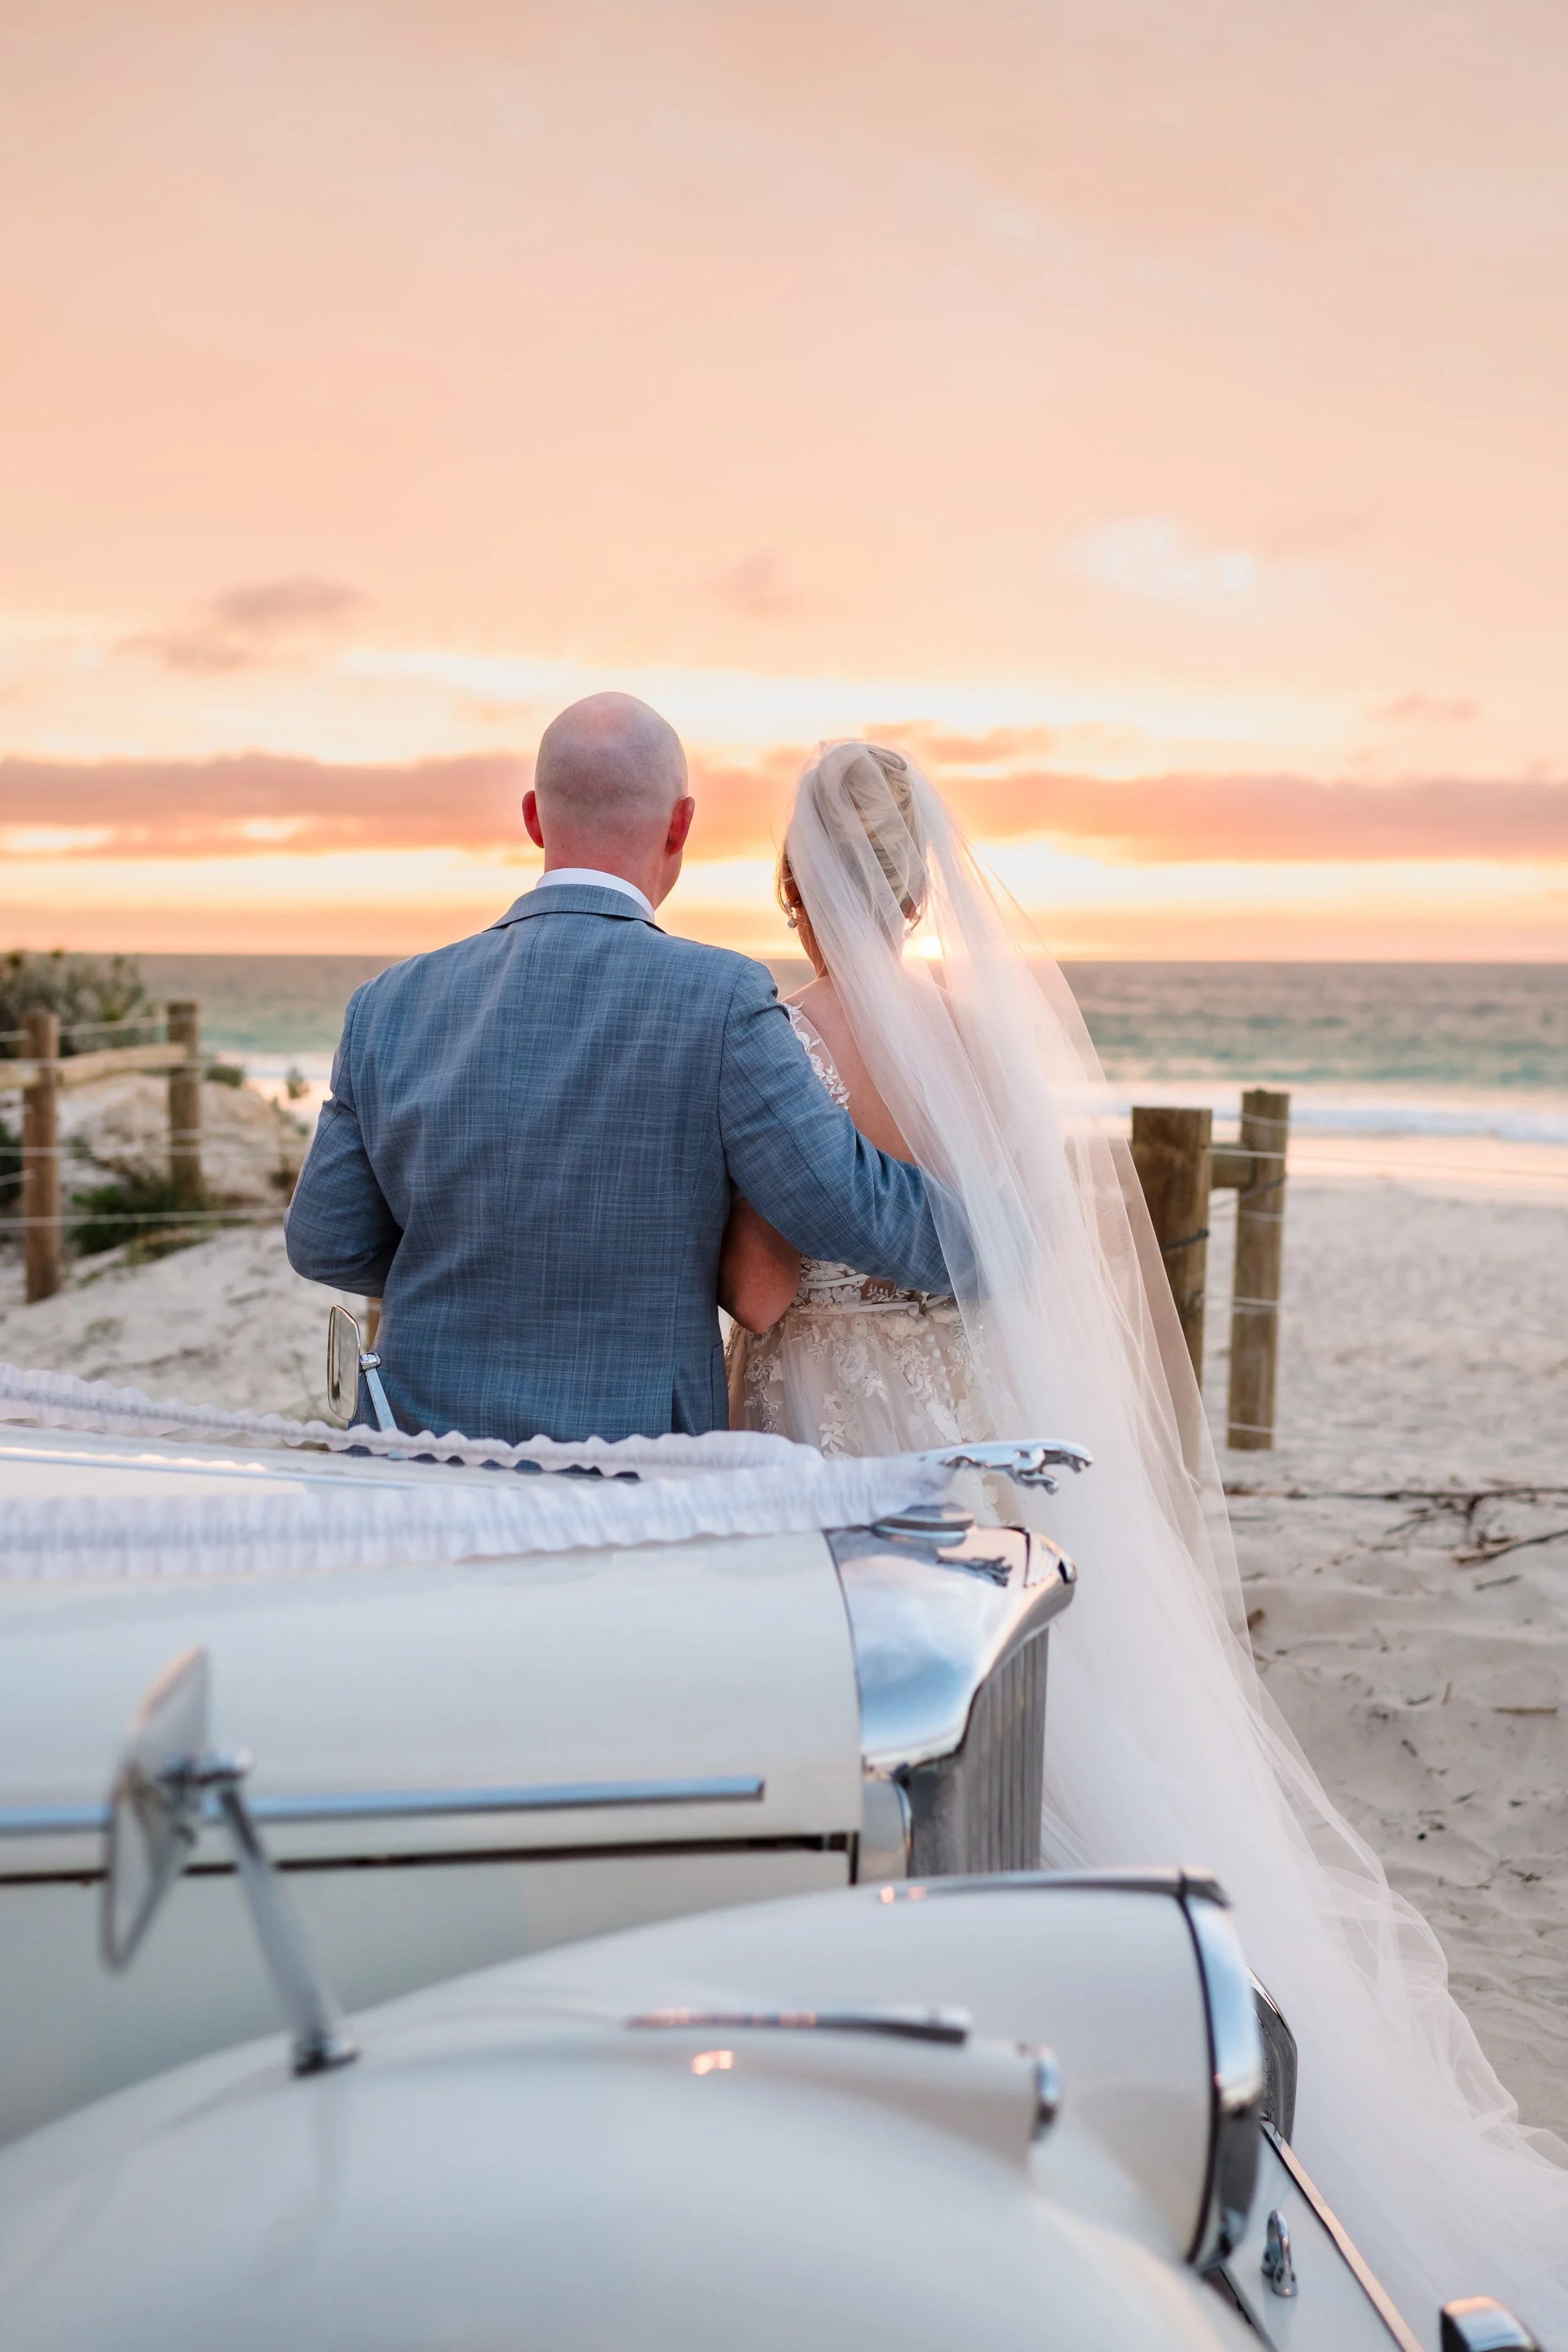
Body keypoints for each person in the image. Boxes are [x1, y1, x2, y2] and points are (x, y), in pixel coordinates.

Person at [723, 739, 1568, 2340]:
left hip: (829, 1410)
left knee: (872, 1733)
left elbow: (764, 1289)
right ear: (920, 885)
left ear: (791, 880)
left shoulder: (781, 1035)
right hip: (971, 1420)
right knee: (1039, 1721)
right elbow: (1023, 1250)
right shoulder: (982, 1037)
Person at [284, 694, 953, 1444]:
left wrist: (476, 1269)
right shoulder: (720, 998)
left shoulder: (387, 1004)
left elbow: (325, 1241)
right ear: (681, 825)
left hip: (426, 1451)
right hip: (636, 1463)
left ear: (534, 818)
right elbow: (842, 1203)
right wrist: (1002, 1235)